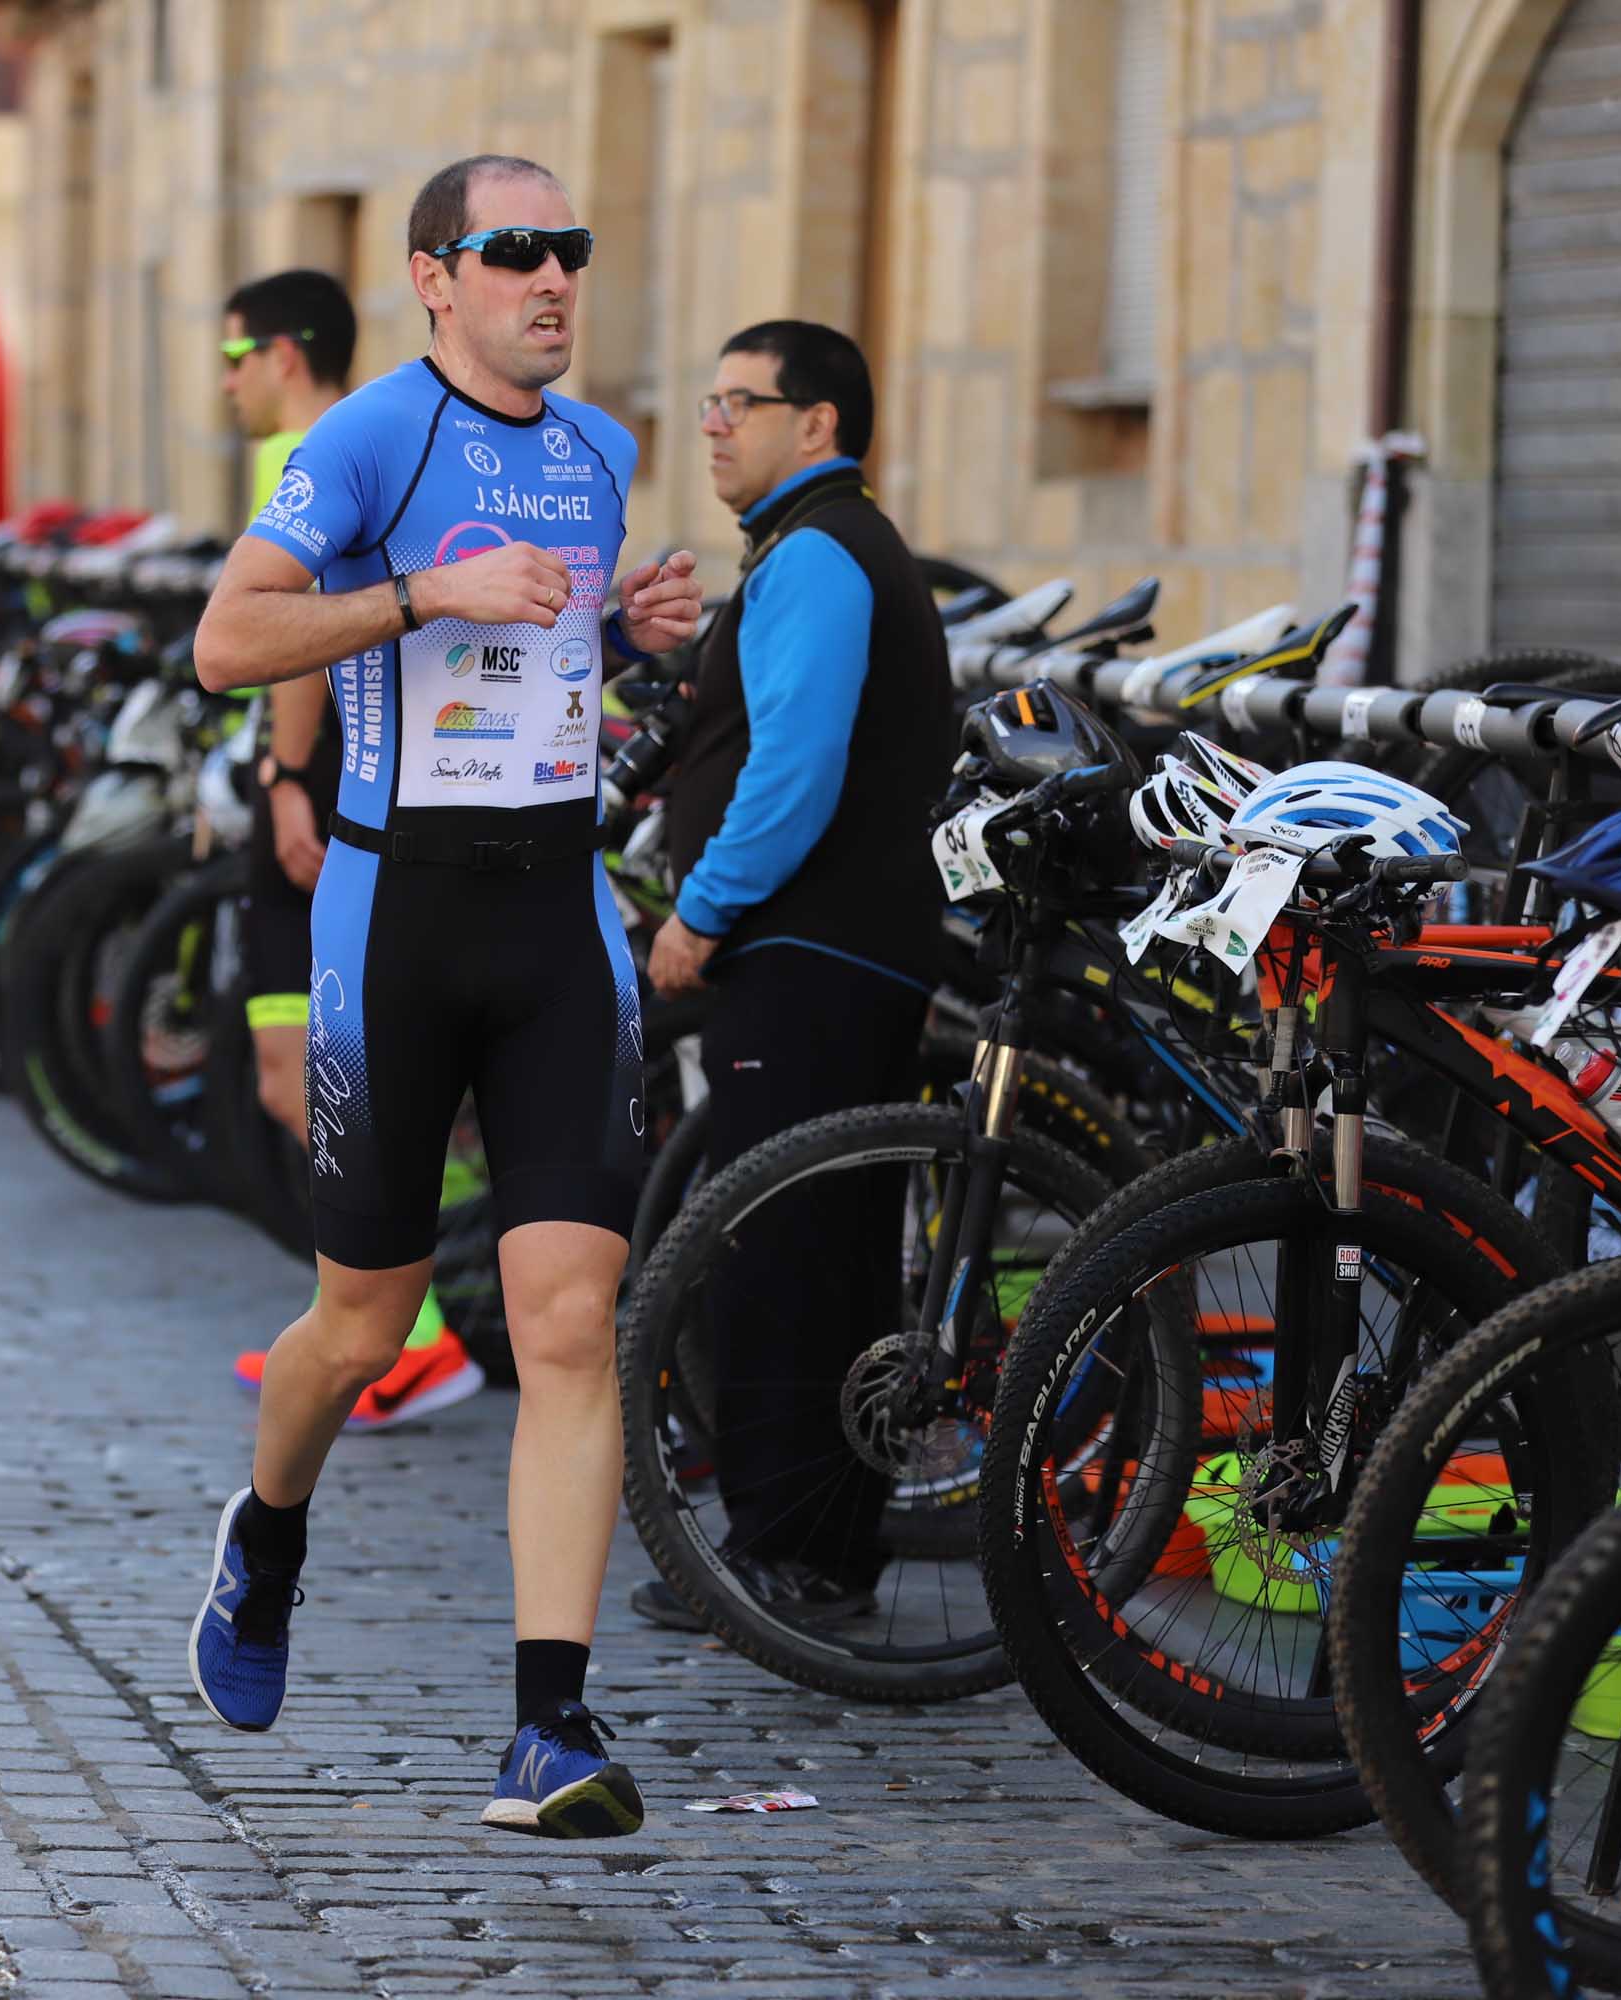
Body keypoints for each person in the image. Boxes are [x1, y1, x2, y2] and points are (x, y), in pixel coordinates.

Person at [184, 152, 704, 1838]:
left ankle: (548, 1726)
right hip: (387, 915)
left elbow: (548, 662)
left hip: (560, 916)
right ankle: (265, 1540)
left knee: (567, 1322)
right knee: (363, 1317)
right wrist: (422, 591)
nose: (553, 276)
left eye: (571, 247)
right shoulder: (366, 441)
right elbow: (228, 642)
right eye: (514, 251)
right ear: (432, 276)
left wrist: (622, 630)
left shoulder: (605, 453)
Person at [631, 321, 955, 1629]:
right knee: (807, 1246)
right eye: (705, 402)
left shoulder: (820, 555)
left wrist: (700, 916)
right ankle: (805, 1541)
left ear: (815, 424)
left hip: (813, 948)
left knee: (789, 1253)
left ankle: (792, 1555)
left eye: (739, 403)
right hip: (839, 947)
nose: (712, 425)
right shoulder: (809, 548)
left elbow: (793, 771)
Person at [216, 268, 483, 1430]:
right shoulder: (355, 440)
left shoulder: (319, 456)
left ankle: (408, 1329)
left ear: (282, 353)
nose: (223, 382)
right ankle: (414, 1301)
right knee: (323, 1074)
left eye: (232, 357)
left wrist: (283, 782)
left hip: (326, 796)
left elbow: (296, 646)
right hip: (351, 791)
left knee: (305, 1075)